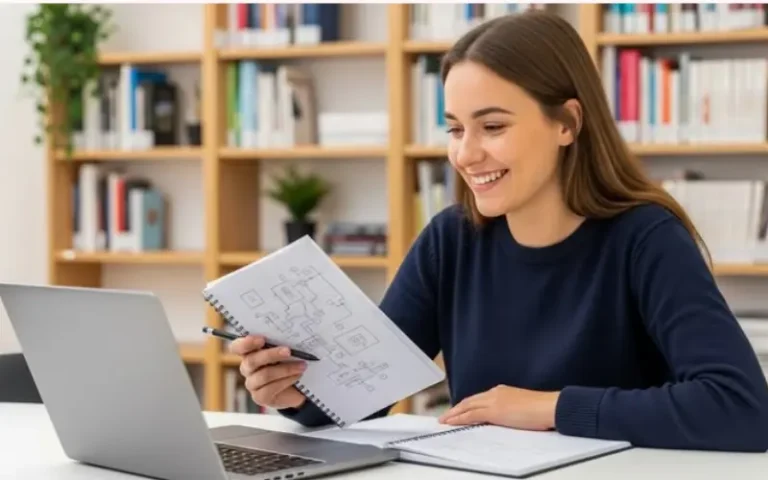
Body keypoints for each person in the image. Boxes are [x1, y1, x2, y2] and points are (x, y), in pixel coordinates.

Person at [229, 10, 768, 452]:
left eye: (492, 127)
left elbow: (742, 409)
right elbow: (364, 395)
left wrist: (550, 407)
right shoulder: (451, 240)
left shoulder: (646, 238)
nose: (466, 154)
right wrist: (292, 391)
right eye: (455, 129)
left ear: (567, 124)